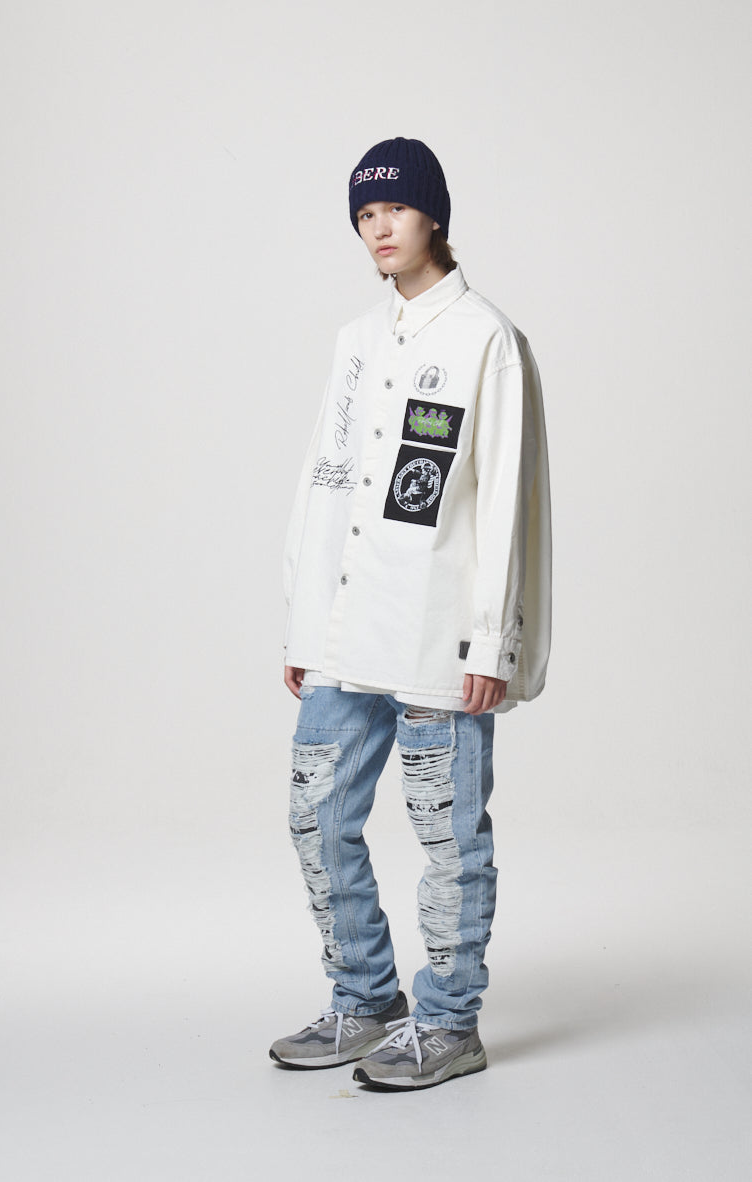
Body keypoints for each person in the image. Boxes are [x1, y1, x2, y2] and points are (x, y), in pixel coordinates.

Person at [269, 137, 551, 1091]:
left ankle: (449, 1022)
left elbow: (504, 499)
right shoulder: (356, 340)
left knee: (448, 838)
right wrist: (304, 617)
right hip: (344, 632)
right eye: (363, 215)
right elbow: (324, 478)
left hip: (438, 637)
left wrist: (492, 639)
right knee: (315, 818)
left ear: (433, 214)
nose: (377, 227)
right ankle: (364, 999)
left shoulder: (486, 340)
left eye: (392, 208)